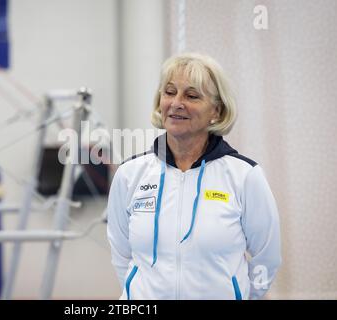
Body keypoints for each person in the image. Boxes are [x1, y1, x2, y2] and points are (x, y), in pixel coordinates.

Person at [106, 52, 281, 300]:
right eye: (169, 92)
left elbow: (267, 258)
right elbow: (121, 256)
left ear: (216, 112)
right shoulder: (129, 174)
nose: (177, 103)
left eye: (191, 95)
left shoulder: (245, 176)